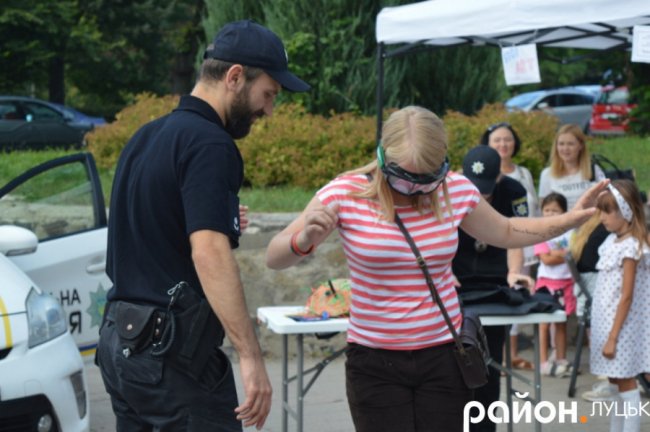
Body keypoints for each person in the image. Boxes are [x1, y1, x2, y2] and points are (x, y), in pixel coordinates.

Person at [265, 106, 607, 432]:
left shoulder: (454, 189)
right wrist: (304, 238)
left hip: (444, 355)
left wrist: (568, 220)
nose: (417, 189)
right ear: (383, 158)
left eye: (427, 178)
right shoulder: (345, 193)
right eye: (406, 178)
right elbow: (274, 256)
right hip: (374, 362)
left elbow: (507, 231)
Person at [96, 20, 310, 431]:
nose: (269, 109)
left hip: (120, 344)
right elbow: (208, 252)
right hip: (171, 355)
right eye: (268, 94)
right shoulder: (211, 144)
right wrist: (250, 355)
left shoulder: (145, 137)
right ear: (234, 77)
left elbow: (149, 230)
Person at [452, 145, 533, 432]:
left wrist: (514, 272)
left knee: (489, 364)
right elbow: (437, 233)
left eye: (486, 189)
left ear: (498, 177)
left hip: (496, 280)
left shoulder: (513, 190)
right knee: (451, 366)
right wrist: (443, 271)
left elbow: (517, 232)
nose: (481, 195)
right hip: (456, 279)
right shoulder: (446, 189)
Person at [590, 179, 650, 432]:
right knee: (615, 382)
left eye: (607, 211)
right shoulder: (611, 242)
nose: (602, 217)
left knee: (626, 384)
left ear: (625, 211)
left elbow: (626, 295)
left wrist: (613, 337)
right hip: (607, 326)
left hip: (621, 328)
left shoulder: (631, 247)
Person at [479, 122, 538, 368]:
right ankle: (499, 357)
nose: (503, 144)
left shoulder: (521, 178)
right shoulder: (468, 182)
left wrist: (518, 263)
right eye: (497, 140)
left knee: (512, 303)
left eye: (507, 139)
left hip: (517, 249)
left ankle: (506, 357)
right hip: (481, 262)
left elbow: (521, 224)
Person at [534, 193, 576, 377]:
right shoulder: (540, 231)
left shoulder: (571, 232)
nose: (550, 214)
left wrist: (556, 253)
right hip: (546, 284)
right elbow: (546, 259)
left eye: (555, 210)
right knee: (544, 324)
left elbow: (574, 253)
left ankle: (561, 359)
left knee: (562, 323)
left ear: (564, 212)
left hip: (567, 283)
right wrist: (563, 254)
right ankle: (543, 362)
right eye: (547, 210)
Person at [538, 123, 606, 210]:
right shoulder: (547, 174)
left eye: (570, 144)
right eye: (561, 144)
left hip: (590, 222)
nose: (565, 149)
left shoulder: (593, 169)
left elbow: (606, 200)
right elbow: (544, 209)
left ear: (580, 146)